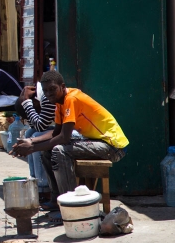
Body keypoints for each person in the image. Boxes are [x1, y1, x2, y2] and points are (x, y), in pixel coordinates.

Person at [10, 70, 129, 214]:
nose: (49, 94)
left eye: (52, 89)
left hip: (113, 146)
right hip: (96, 142)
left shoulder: (71, 99)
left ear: (62, 86)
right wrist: (30, 141)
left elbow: (64, 138)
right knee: (46, 151)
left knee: (59, 150)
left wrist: (31, 148)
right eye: (46, 91)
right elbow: (55, 133)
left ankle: (72, 205)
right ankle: (56, 199)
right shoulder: (60, 103)